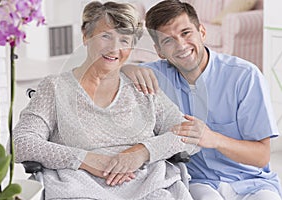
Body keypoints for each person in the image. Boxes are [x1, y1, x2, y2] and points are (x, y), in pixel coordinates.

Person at [12, 1, 199, 199]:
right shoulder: (55, 88)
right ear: (86, 36)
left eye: (124, 40)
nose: (114, 49)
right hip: (78, 187)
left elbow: (191, 136)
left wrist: (142, 152)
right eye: (105, 36)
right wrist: (84, 159)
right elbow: (21, 143)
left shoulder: (142, 86)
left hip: (149, 187)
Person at [121, 0, 282, 199]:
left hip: (252, 182)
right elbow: (108, 77)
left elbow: (261, 156)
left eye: (186, 33)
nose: (181, 45)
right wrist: (126, 68)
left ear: (202, 32)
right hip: (199, 183)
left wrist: (214, 139)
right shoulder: (154, 76)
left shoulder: (245, 76)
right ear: (159, 51)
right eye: (168, 40)